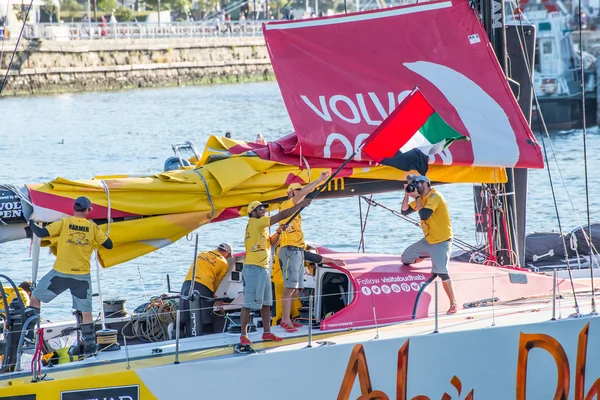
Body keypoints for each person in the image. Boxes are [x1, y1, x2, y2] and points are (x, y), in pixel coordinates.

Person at [27, 196, 113, 354]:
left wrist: (30, 222)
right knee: (86, 312)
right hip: (81, 276)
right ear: (88, 211)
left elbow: (40, 232)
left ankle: (29, 336)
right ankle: (90, 346)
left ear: (74, 209)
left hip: (60, 273)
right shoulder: (92, 227)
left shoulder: (64, 223)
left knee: (35, 297)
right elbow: (109, 245)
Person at [240, 199, 310, 346]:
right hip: (253, 268)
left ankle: (266, 333)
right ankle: (243, 335)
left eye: (263, 208)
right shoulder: (255, 223)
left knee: (266, 303)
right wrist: (299, 206)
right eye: (259, 208)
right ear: (251, 212)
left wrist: (279, 232)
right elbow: (280, 216)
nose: (263, 210)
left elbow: (271, 243)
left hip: (264, 268)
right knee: (248, 304)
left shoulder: (262, 229)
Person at [277, 171, 330, 332]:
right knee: (289, 287)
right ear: (290, 193)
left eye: (300, 190)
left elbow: (303, 196)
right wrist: (319, 181)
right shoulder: (287, 205)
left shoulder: (295, 208)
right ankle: (285, 320)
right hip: (289, 250)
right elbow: (304, 194)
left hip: (298, 250)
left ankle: (289, 319)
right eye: (296, 191)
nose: (300, 193)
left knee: (295, 287)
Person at [400, 175, 457, 314]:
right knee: (405, 259)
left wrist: (417, 198)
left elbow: (424, 215)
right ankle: (427, 255)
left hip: (441, 241)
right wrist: (407, 194)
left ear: (426, 184)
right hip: (429, 240)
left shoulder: (434, 196)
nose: (415, 185)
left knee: (442, 273)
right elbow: (404, 211)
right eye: (414, 183)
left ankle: (453, 303)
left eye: (417, 183)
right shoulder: (420, 198)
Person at [179, 243, 232, 336]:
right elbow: (217, 282)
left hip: (187, 283)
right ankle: (208, 336)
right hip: (204, 286)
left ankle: (176, 334)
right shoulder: (224, 262)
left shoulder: (202, 253)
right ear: (227, 253)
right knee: (206, 315)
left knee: (183, 313)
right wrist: (214, 296)